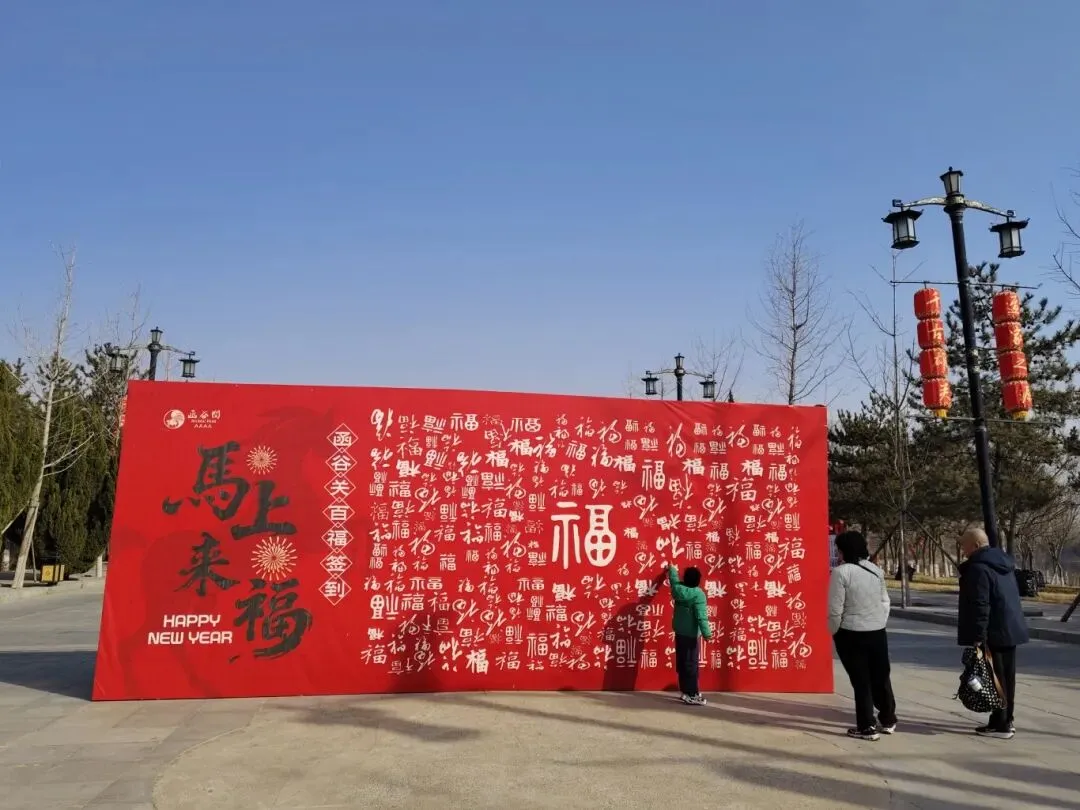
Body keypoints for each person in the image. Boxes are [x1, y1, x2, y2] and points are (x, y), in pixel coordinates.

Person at [957, 527, 1029, 739]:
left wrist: (978, 636)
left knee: (995, 678)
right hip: (1009, 628)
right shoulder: (1002, 563)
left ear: (976, 545)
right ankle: (1003, 719)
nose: (963, 551)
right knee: (1006, 677)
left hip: (994, 631)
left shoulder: (979, 568)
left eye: (964, 546)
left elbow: (981, 604)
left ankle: (1002, 725)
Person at [828, 530, 897, 741]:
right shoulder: (876, 570)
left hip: (851, 633)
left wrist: (834, 630)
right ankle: (888, 719)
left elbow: (835, 609)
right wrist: (879, 621)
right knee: (881, 676)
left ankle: (867, 726)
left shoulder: (841, 573)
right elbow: (885, 601)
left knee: (861, 681)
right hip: (877, 631)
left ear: (843, 550)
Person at [663, 562, 713, 705]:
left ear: (685, 579)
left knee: (682, 662)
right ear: (698, 580)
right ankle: (692, 694)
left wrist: (672, 569)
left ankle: (685, 691)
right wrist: (707, 634)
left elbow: (674, 580)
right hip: (691, 635)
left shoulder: (678, 589)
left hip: (680, 632)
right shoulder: (698, 595)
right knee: (691, 664)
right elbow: (701, 616)